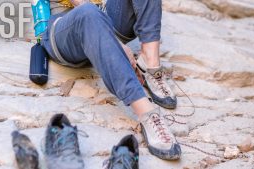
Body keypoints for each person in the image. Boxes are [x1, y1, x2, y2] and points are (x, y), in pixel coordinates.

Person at [41, 0, 181, 160]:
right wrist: (118, 44)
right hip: (64, 30)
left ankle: (150, 64)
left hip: (105, 16)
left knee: (93, 13)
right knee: (88, 12)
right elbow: (84, 7)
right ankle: (147, 112)